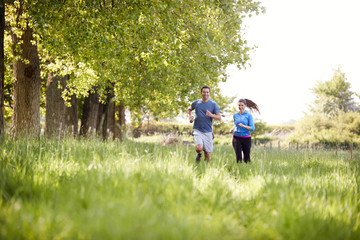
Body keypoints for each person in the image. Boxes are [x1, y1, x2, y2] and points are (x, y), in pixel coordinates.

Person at [188, 86, 221, 162]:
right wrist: (190, 117)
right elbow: (189, 109)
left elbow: (219, 117)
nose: (206, 94)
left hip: (208, 131)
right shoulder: (196, 103)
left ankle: (206, 168)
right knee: (199, 148)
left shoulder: (213, 104)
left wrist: (211, 115)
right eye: (204, 92)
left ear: (209, 93)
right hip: (197, 129)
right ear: (201, 93)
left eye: (207, 92)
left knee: (207, 153)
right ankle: (199, 154)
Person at [230, 98, 259, 163]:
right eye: (239, 105)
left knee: (246, 157)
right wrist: (232, 129)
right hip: (236, 137)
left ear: (245, 105)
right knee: (238, 156)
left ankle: (247, 170)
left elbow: (252, 128)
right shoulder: (235, 115)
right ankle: (239, 170)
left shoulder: (249, 115)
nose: (240, 107)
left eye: (242, 105)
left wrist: (243, 126)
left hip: (246, 138)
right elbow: (235, 124)